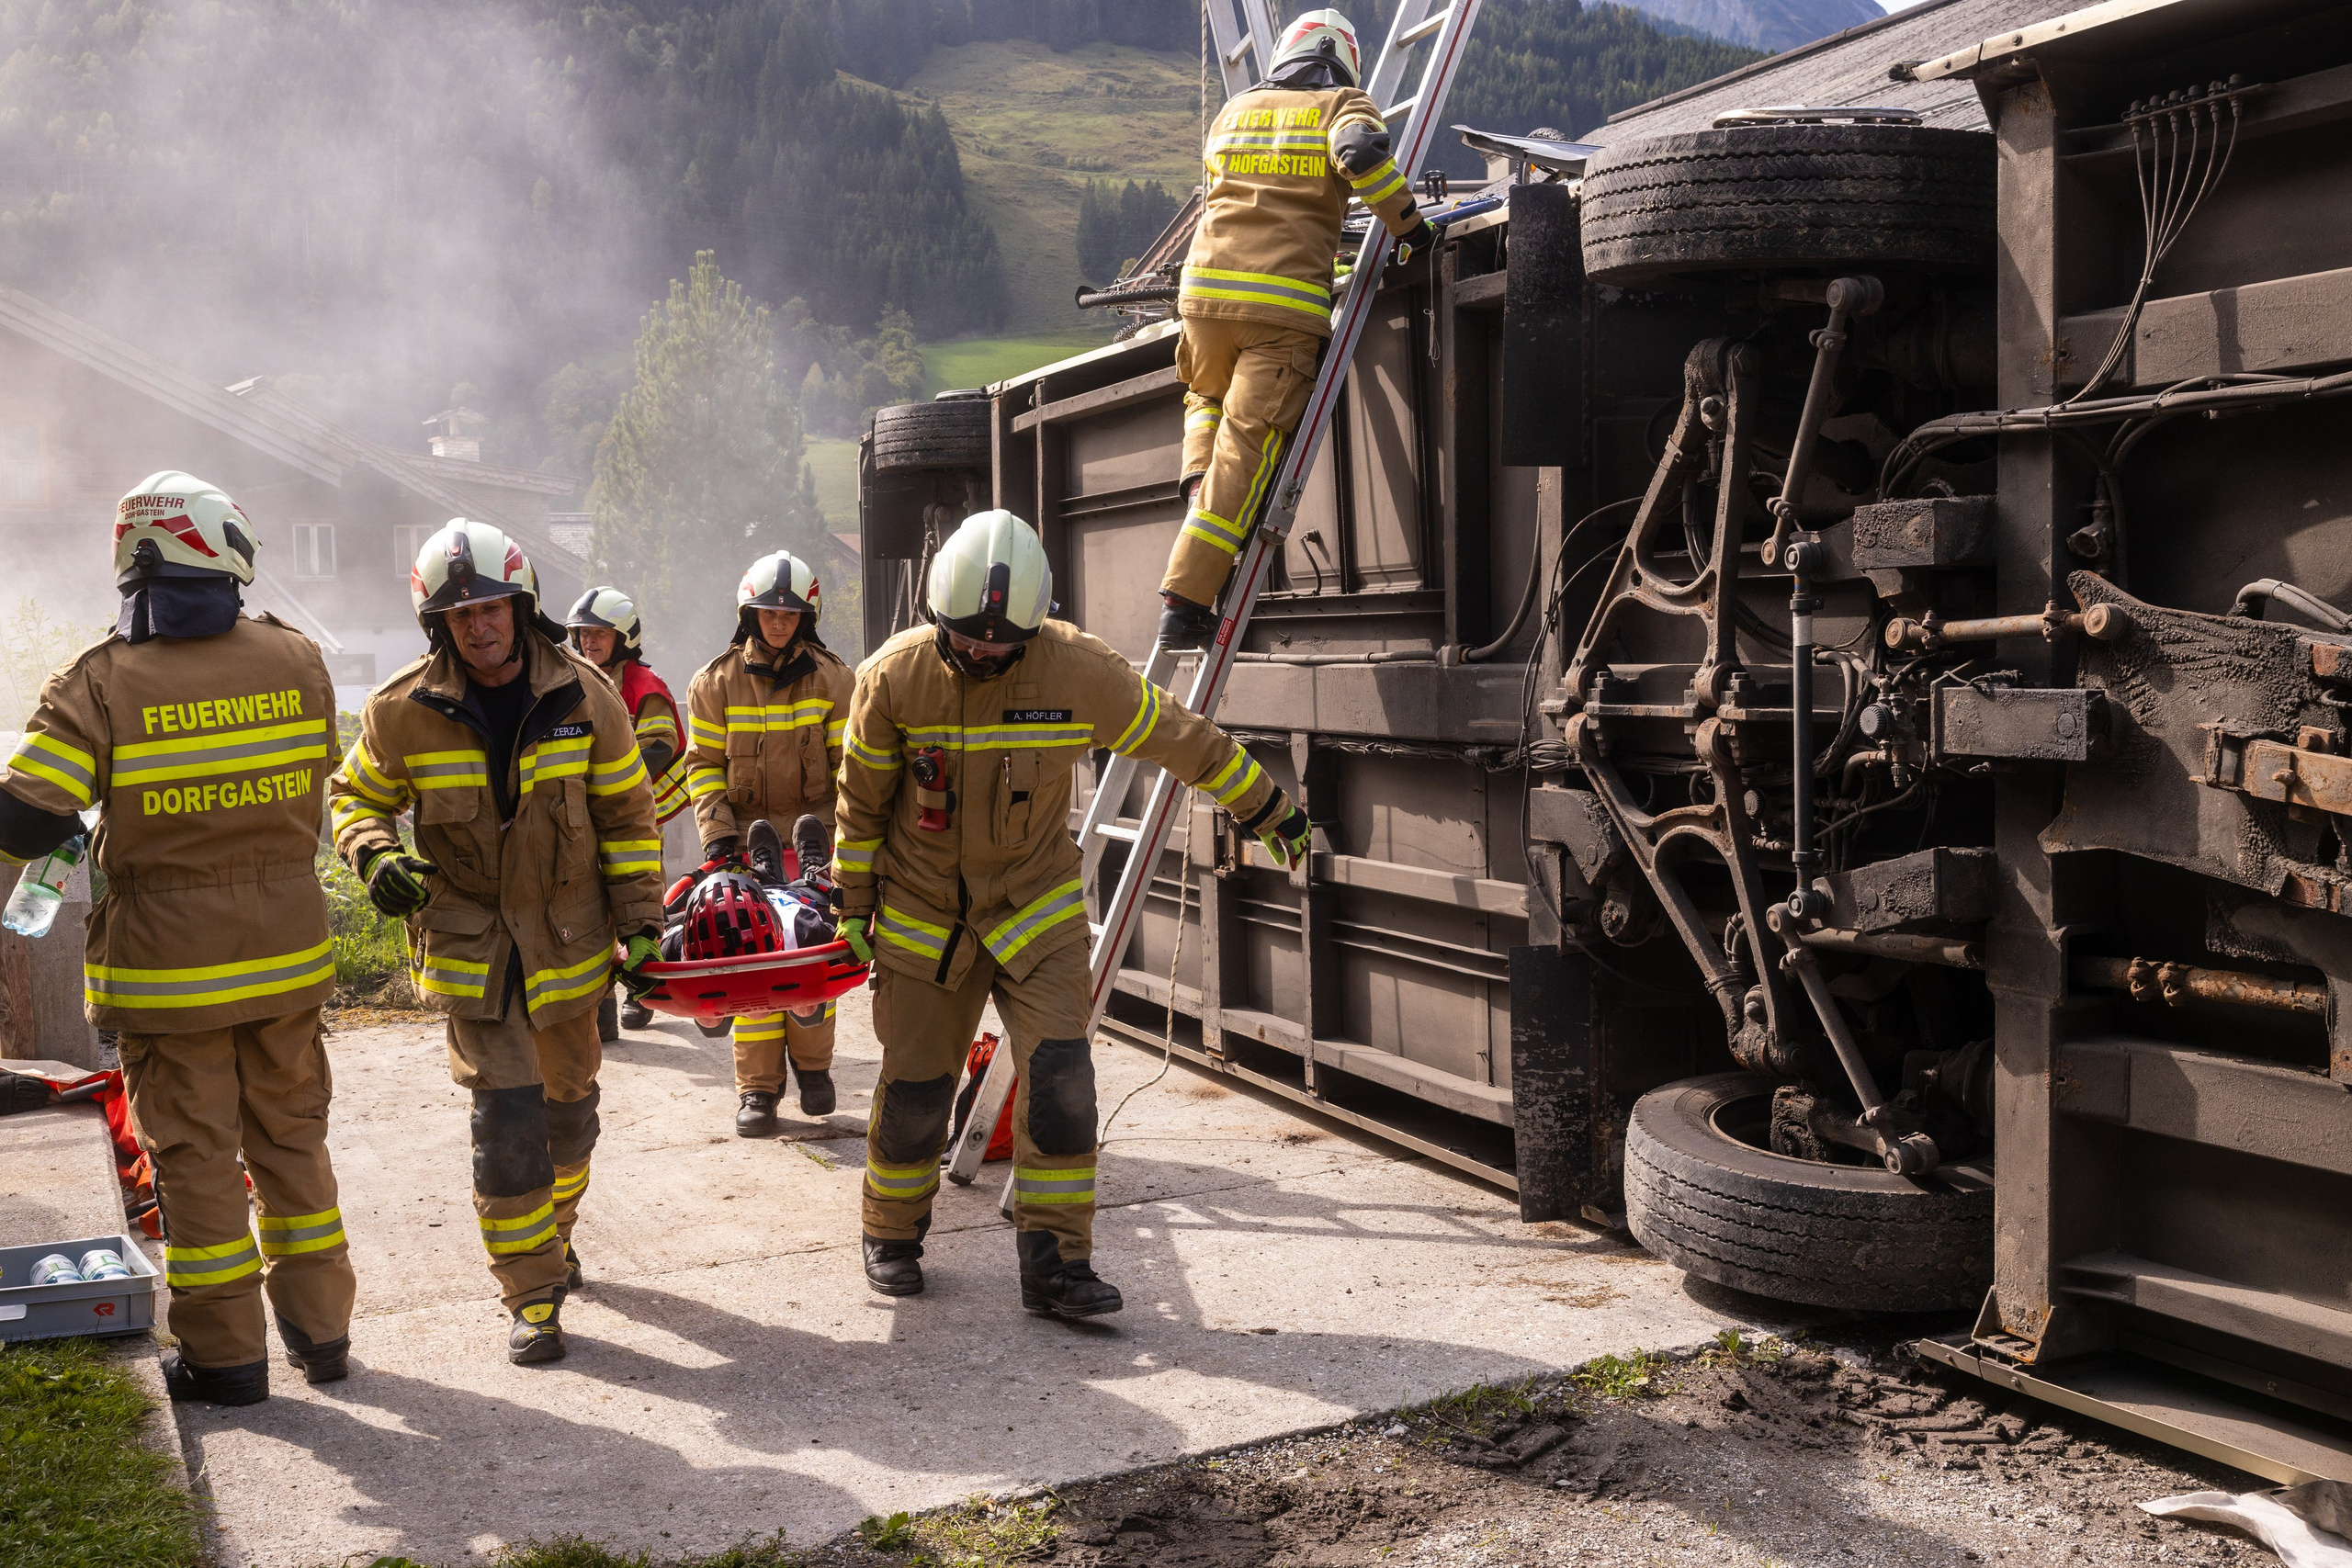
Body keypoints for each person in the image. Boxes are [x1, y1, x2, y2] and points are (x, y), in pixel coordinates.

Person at [832, 510, 1313, 1316]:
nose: (983, 653)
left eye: (1001, 646)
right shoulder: (892, 679)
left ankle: (1057, 1266)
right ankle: (891, 1233)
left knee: (1062, 1083)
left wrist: (1264, 804)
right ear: (936, 613)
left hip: (1036, 913)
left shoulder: (1075, 669)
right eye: (967, 639)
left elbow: (1178, 735)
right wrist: (852, 907)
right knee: (916, 1091)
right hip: (925, 920)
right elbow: (860, 806)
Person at [0, 471, 352, 1405]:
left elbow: (23, 819)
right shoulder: (298, 659)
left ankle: (226, 1359)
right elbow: (313, 775)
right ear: (223, 550)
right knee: (292, 1144)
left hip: (170, 976)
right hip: (287, 961)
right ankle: (323, 1334)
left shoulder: (100, 682)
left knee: (197, 1165)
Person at [328, 520, 663, 1365]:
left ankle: (556, 1232)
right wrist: (373, 852)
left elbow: (628, 816)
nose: (477, 626)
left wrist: (643, 929)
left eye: (490, 608)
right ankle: (532, 1294)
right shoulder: (402, 709)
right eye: (459, 614)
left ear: (521, 606)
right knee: (506, 1122)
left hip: (568, 942)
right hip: (474, 949)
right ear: (437, 624)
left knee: (569, 1114)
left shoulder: (585, 695)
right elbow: (353, 796)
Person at [1159, 8, 1435, 650]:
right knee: (1245, 457)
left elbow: (1246, 202)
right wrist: (1412, 229)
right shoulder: (1341, 103)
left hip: (1202, 304)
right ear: (1343, 62)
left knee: (1205, 402)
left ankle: (1196, 485)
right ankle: (1185, 602)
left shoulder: (1234, 113)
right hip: (1276, 319)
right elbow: (1359, 153)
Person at [684, 550, 854, 1136]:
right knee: (748, 961)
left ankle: (814, 1070)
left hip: (814, 848)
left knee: (812, 955)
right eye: (768, 612)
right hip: (742, 848)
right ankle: (758, 1089)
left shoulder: (836, 680)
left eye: (789, 613)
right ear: (748, 614)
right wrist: (718, 839)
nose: (779, 622)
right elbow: (704, 767)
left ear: (806, 617)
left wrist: (843, 845)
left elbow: (850, 771)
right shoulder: (714, 684)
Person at [566, 586, 691, 1034]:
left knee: (641, 907)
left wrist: (602, 775)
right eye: (583, 634)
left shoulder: (644, 686)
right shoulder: (570, 680)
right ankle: (600, 1008)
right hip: (581, 818)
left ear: (623, 638)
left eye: (599, 634)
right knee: (588, 911)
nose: (589, 642)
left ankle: (643, 993)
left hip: (632, 818)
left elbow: (659, 746)